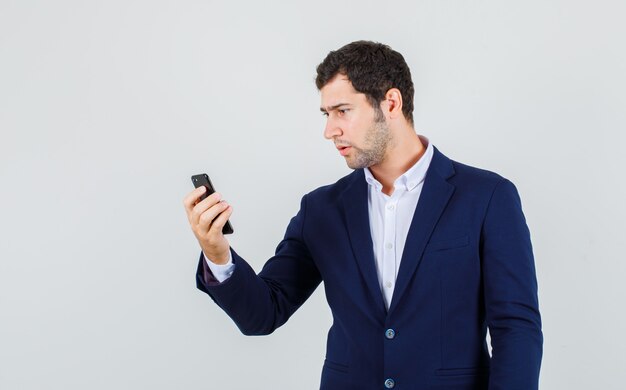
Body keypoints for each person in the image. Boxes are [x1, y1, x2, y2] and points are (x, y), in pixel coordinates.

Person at [183, 40, 543, 390]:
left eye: (343, 111)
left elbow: (516, 327)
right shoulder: (321, 209)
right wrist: (217, 254)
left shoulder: (487, 196)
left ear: (390, 103)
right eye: (326, 114)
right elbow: (263, 314)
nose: (329, 131)